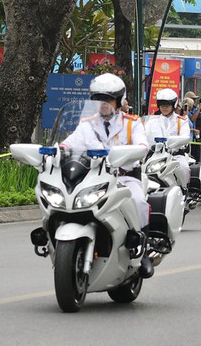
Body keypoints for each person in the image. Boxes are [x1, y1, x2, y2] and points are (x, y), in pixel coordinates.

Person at [59, 73, 154, 277]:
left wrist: (137, 150)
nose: (103, 104)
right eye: (98, 99)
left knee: (138, 201)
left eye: (108, 99)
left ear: (118, 101)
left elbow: (142, 145)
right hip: (93, 178)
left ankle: (142, 250)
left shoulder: (132, 123)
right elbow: (69, 143)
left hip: (124, 177)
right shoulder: (87, 124)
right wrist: (55, 151)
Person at [143, 88, 192, 188]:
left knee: (184, 167)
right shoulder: (152, 121)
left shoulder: (181, 121)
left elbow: (185, 136)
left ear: (173, 105)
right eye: (162, 105)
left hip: (175, 155)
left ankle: (184, 189)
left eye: (167, 105)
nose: (164, 107)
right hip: (155, 156)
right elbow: (144, 135)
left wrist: (176, 142)